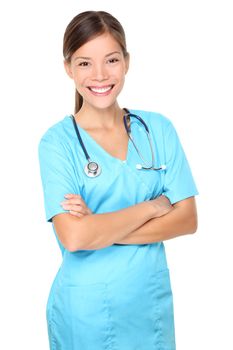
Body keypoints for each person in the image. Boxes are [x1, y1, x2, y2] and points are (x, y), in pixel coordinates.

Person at [38, 10, 198, 350]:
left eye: (111, 60)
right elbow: (75, 238)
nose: (99, 75)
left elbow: (187, 219)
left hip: (149, 309)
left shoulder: (158, 130)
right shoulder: (57, 143)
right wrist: (152, 207)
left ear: (126, 61)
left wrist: (100, 227)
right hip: (86, 315)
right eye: (84, 63)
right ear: (68, 68)